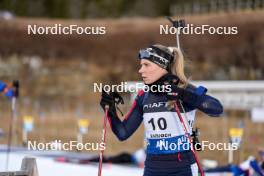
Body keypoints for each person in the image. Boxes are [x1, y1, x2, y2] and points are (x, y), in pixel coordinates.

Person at [100, 44, 223, 176]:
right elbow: (122, 133)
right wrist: (111, 110)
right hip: (153, 169)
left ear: (162, 66)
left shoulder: (183, 88)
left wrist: (182, 94)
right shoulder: (144, 95)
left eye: (146, 65)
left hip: (183, 168)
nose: (141, 70)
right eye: (141, 65)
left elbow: (216, 108)